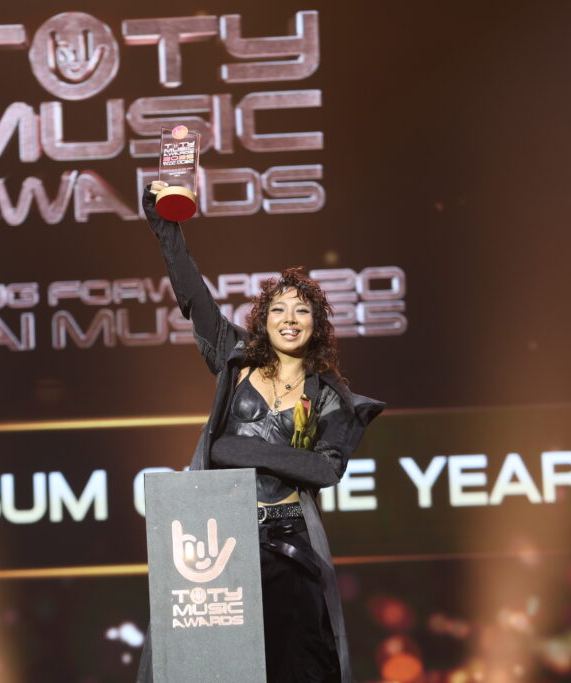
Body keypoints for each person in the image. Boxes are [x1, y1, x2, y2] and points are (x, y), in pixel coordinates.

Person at [137, 183, 385, 683]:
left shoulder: (329, 394)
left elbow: (325, 468)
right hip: (220, 541)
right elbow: (193, 297)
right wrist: (166, 228)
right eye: (278, 310)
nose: (289, 320)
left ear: (317, 324)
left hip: (289, 542)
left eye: (302, 311)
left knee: (300, 667)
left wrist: (235, 448)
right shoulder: (234, 360)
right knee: (207, 667)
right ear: (263, 320)